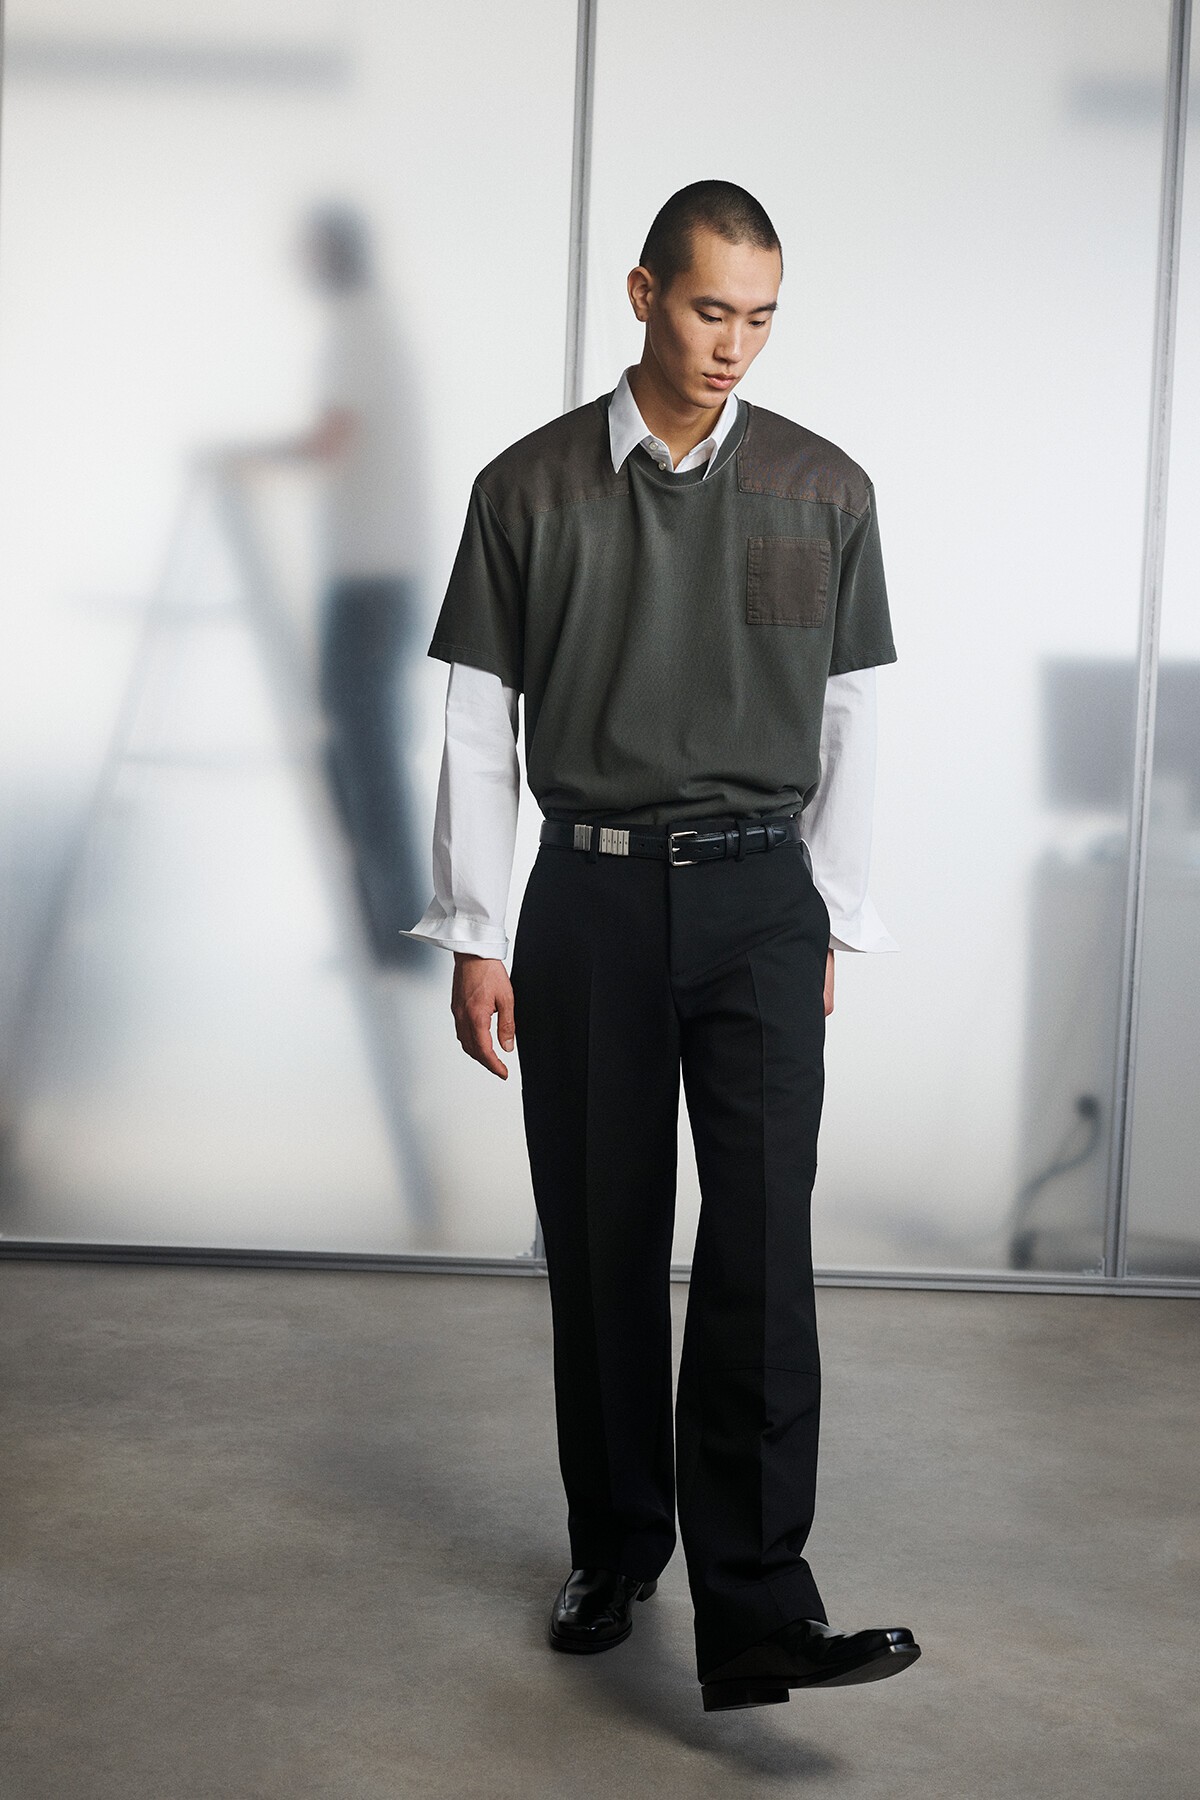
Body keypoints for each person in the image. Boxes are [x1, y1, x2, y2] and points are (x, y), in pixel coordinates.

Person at [407, 180, 920, 1712]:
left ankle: (758, 1608)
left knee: (761, 1250)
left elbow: (853, 718)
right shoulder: (528, 488)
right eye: (709, 310)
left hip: (762, 904)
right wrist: (475, 934)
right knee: (604, 1240)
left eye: (761, 318)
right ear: (643, 295)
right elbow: (476, 722)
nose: (733, 345)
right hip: (591, 902)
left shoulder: (824, 488)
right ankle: (616, 1549)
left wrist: (833, 915)